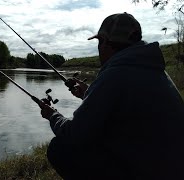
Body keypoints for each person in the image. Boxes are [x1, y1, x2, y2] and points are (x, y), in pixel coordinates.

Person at [39, 12, 184, 180]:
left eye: (100, 41)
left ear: (106, 42)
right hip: (169, 166)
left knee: (61, 148)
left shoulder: (116, 73)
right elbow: (124, 104)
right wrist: (88, 93)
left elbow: (74, 134)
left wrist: (52, 115)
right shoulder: (152, 70)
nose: (99, 47)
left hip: (149, 171)